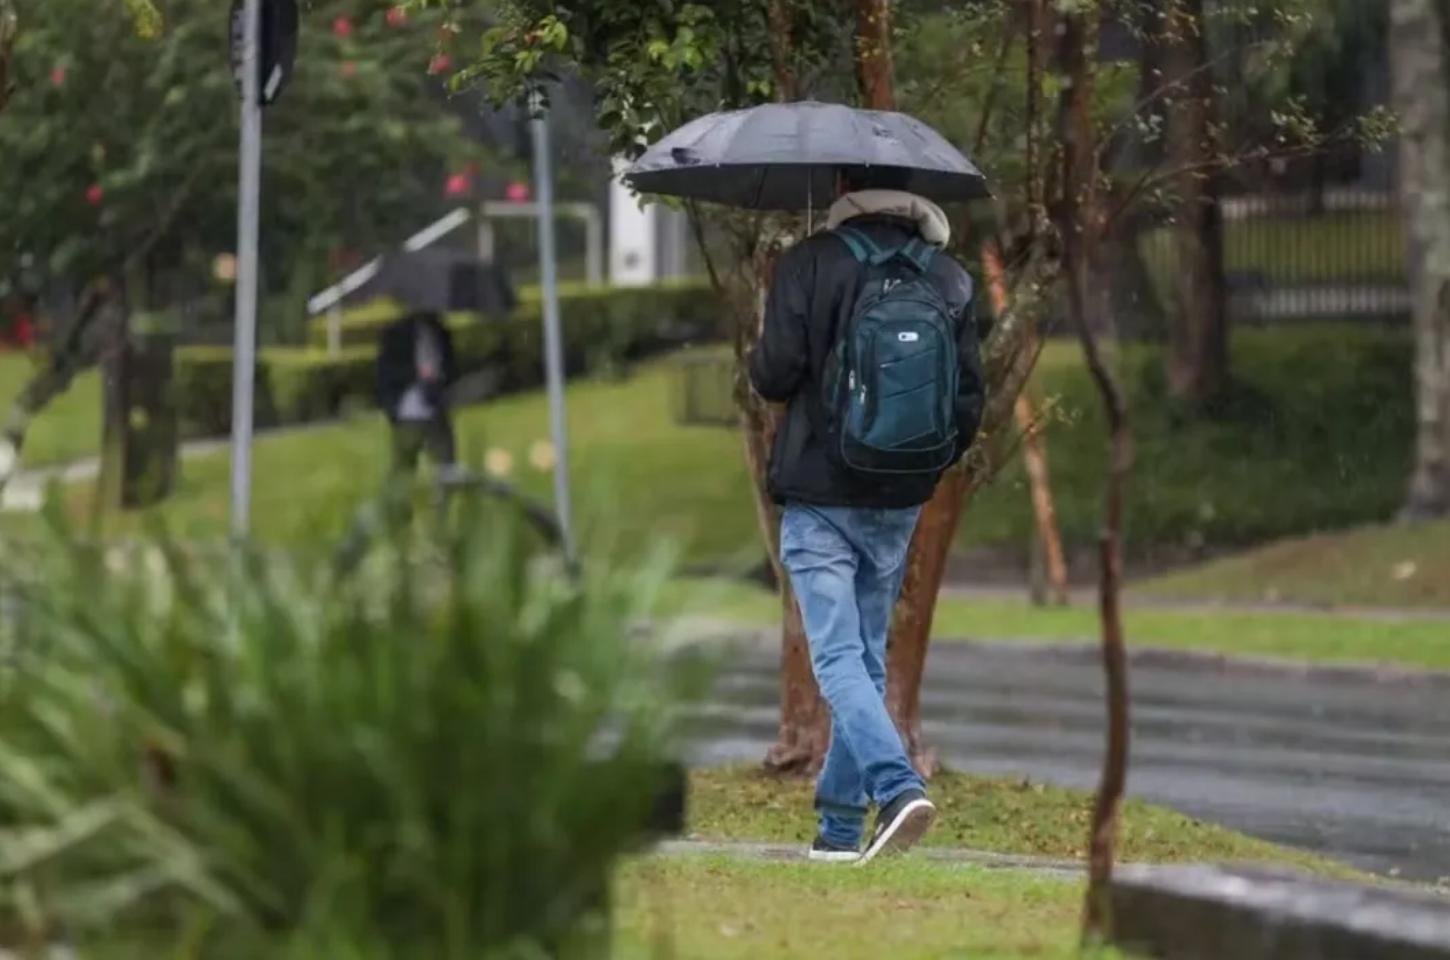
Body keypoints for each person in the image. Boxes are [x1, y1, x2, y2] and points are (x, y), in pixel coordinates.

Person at [749, 166, 985, 865]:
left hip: (821, 494)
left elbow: (771, 374)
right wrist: (913, 467)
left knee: (838, 658)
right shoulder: (949, 278)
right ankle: (840, 831)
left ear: (846, 190)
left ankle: (896, 785)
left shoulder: (811, 262)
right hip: (899, 497)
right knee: (867, 663)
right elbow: (967, 403)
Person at [377, 310, 460, 477]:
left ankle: (445, 497)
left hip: (436, 405)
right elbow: (385, 374)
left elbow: (450, 365)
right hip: (409, 408)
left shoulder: (439, 330)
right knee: (405, 464)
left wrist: (439, 381)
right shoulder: (397, 333)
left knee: (446, 461)